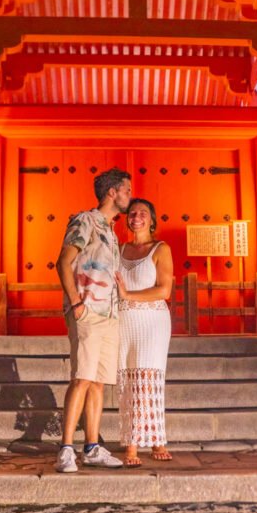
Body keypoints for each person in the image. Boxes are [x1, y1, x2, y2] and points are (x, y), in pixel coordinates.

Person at [54, 167, 132, 473]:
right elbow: (63, 260)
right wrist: (76, 301)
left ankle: (92, 447)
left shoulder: (111, 230)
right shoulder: (85, 221)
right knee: (82, 377)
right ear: (112, 192)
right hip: (87, 309)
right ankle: (65, 449)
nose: (128, 195)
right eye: (125, 190)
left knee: (98, 382)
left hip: (109, 314)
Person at [114, 197, 174, 467]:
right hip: (125, 321)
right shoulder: (120, 249)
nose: (136, 216)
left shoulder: (160, 249)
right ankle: (131, 441)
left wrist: (128, 294)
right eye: (133, 212)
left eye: (143, 213)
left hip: (152, 321)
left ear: (152, 220)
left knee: (148, 378)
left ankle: (157, 439)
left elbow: (164, 290)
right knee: (129, 381)